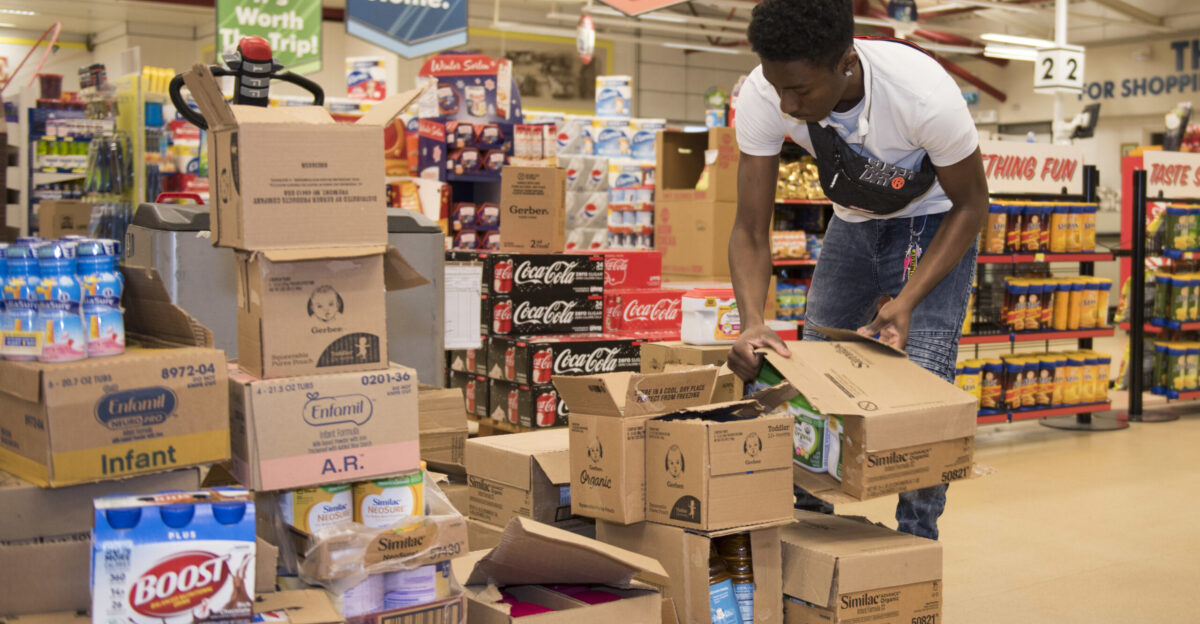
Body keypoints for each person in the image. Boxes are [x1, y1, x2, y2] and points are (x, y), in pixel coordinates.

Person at [726, 0, 989, 540]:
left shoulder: (922, 95)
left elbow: (971, 206)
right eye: (778, 87)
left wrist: (906, 302)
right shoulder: (763, 94)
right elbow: (751, 228)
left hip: (936, 218)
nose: (787, 102)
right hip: (851, 221)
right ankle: (807, 534)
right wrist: (750, 319)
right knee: (806, 372)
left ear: (846, 64)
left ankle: (915, 544)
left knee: (927, 383)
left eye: (800, 90)